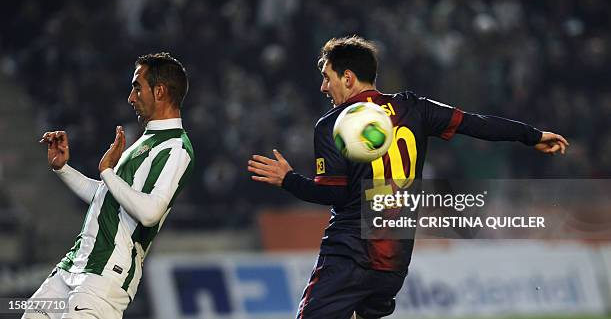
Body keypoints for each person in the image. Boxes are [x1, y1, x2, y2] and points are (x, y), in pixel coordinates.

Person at [247, 36, 568, 319]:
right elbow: (477, 123)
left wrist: (288, 179)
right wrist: (532, 135)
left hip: (350, 257)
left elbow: (336, 195)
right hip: (393, 262)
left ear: (347, 78)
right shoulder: (413, 108)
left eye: (326, 77)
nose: (323, 87)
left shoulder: (334, 122)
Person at [27, 53, 194, 319]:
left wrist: (107, 172)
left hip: (105, 278)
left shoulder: (176, 148)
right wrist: (63, 170)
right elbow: (107, 198)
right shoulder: (146, 140)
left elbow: (151, 213)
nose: (131, 97)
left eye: (137, 87)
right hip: (75, 264)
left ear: (160, 91)